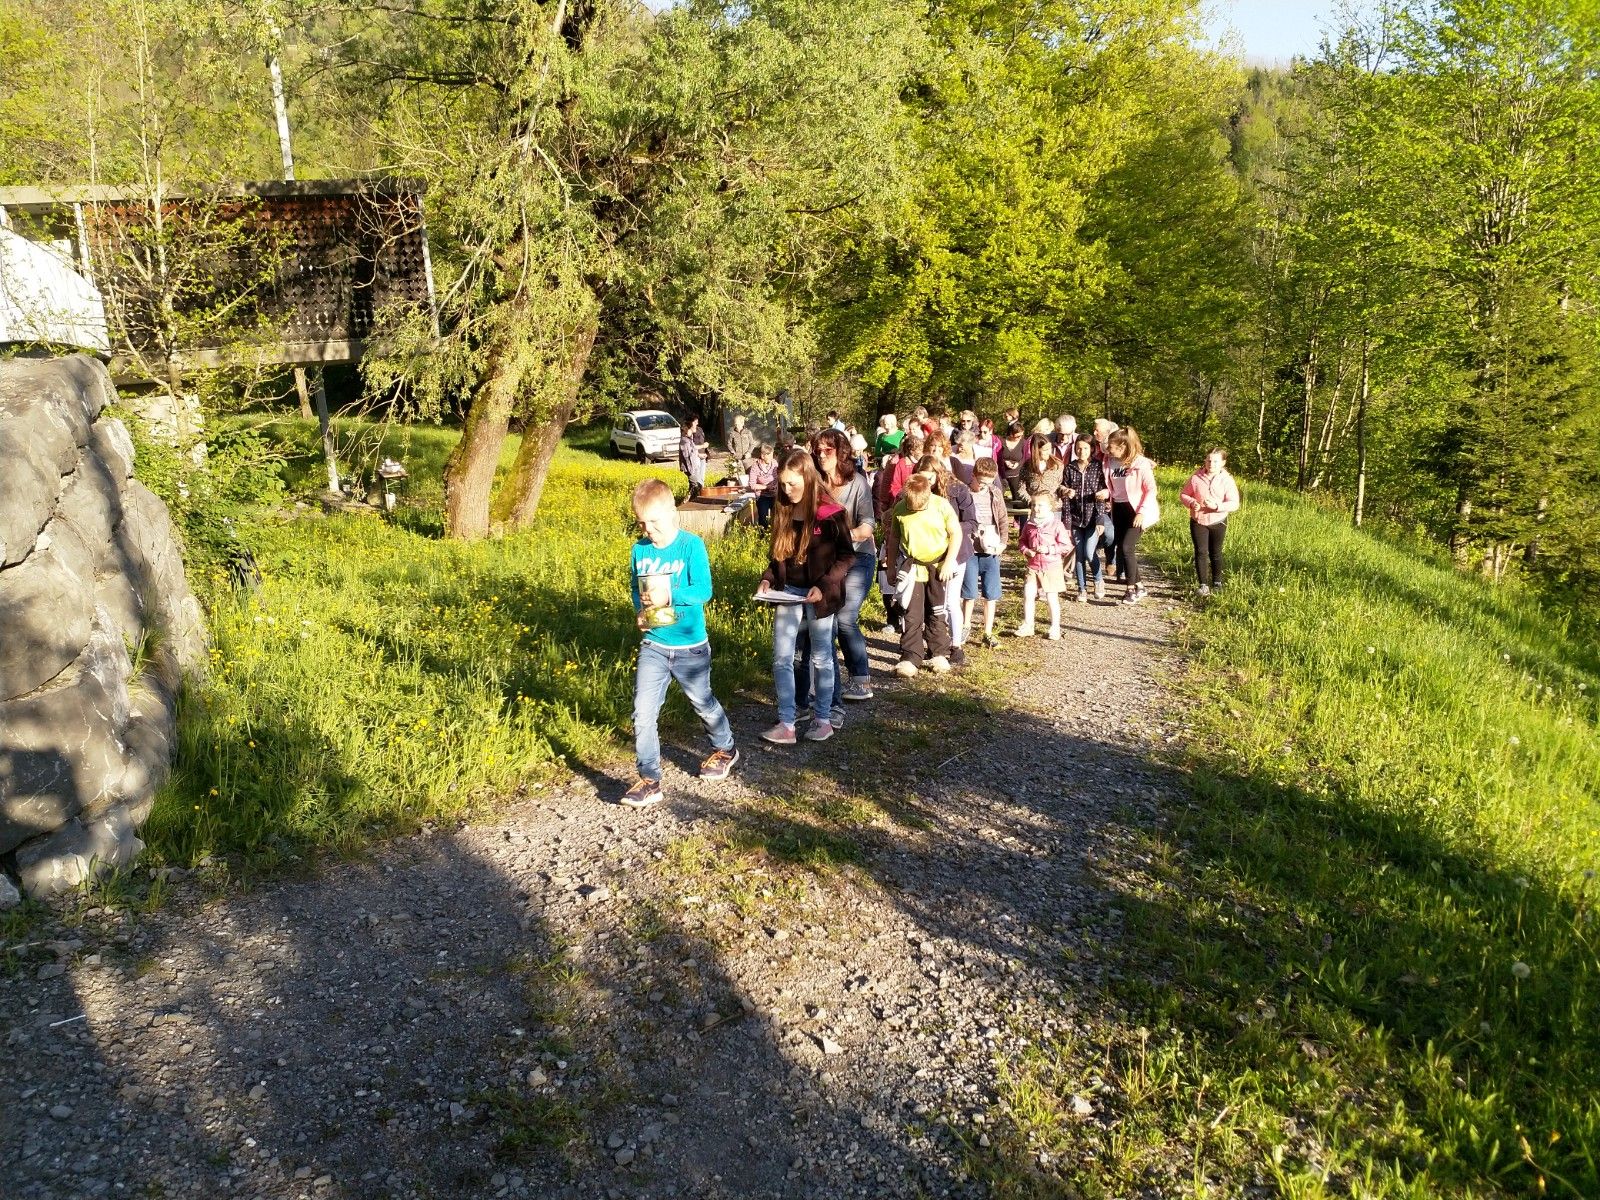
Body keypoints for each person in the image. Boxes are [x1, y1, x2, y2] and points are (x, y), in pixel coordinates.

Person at [623, 480, 739, 808]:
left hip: (691, 646)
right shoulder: (639, 550)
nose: (648, 529)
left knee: (702, 702)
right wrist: (640, 612)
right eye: (642, 523)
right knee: (642, 713)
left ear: (672, 514)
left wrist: (669, 594)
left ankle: (726, 748)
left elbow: (703, 591)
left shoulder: (691, 546)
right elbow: (635, 588)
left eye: (654, 521)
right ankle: (650, 779)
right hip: (654, 645)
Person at [757, 450, 855, 744]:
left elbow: (846, 556)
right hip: (788, 592)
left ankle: (823, 719)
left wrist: (823, 585)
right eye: (783, 484)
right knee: (781, 658)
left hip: (821, 595)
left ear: (808, 479)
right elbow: (778, 558)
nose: (787, 490)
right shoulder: (783, 509)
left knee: (822, 658)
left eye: (793, 483)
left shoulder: (831, 513)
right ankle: (787, 723)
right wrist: (767, 579)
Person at [813, 428, 878, 704]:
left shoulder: (858, 483)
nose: (821, 455)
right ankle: (823, 682)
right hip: (826, 559)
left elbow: (868, 525)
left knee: (845, 617)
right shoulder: (815, 481)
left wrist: (843, 536)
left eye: (827, 450)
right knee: (822, 618)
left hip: (859, 557)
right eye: (817, 450)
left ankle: (861, 679)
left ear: (840, 452)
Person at [882, 472, 962, 677]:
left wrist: (949, 561)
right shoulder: (900, 509)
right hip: (913, 569)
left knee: (936, 611)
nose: (915, 508)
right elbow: (893, 539)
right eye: (911, 505)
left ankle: (939, 653)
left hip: (937, 568)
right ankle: (910, 656)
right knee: (911, 614)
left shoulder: (942, 506)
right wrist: (891, 567)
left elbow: (956, 533)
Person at [918, 453, 974, 660]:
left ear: (938, 473)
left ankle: (956, 645)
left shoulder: (958, 489)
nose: (927, 483)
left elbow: (971, 523)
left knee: (950, 601)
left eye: (930, 478)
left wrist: (949, 529)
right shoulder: (918, 491)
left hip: (956, 552)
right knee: (931, 602)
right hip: (928, 554)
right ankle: (934, 644)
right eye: (922, 478)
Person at [1107, 427, 1159, 604]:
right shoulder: (1109, 461)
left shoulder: (1141, 464)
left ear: (1122, 447)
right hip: (1118, 508)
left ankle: (1130, 590)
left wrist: (1142, 512)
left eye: (1111, 447)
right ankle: (1140, 586)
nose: (1108, 449)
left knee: (1127, 547)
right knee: (1123, 548)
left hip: (1136, 510)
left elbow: (1151, 489)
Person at [1180, 448, 1241, 596]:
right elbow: (1184, 494)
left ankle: (1217, 582)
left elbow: (1234, 503)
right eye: (1208, 460)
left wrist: (1217, 506)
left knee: (1215, 552)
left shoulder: (1227, 480)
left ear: (1223, 463)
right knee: (1201, 551)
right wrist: (1191, 503)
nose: (1211, 464)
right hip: (1198, 520)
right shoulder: (1196, 477)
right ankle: (1203, 585)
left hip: (1218, 521)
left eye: (1215, 461)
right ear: (1205, 461)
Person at [964, 457, 1011, 648]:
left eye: (989, 482)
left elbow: (1003, 519)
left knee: (991, 593)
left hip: (990, 549)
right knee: (969, 592)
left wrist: (1003, 543)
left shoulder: (995, 493)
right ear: (973, 476)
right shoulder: (965, 493)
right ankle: (965, 626)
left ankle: (988, 632)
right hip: (970, 549)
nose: (984, 486)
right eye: (981, 482)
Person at [1016, 491, 1071, 639]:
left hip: (1051, 566)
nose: (1036, 508)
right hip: (1033, 566)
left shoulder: (1056, 524)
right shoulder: (1029, 524)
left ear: (1050, 506)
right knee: (1028, 595)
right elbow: (1022, 541)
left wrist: (1049, 549)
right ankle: (1028, 625)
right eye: (1034, 505)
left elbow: (1066, 546)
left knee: (1051, 598)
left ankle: (1055, 627)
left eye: (1040, 505)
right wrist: (1026, 550)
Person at [1063, 435, 1109, 602]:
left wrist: (1100, 519)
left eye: (1085, 448)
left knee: (1090, 552)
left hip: (1092, 518)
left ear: (1092, 449)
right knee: (1080, 555)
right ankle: (1081, 588)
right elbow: (1065, 496)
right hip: (1075, 519)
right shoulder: (1070, 468)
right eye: (1078, 448)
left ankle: (1098, 580)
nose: (1081, 451)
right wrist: (1067, 522)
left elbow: (1102, 495)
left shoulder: (1098, 467)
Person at [874, 430, 923, 519]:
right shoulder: (898, 462)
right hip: (901, 501)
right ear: (912, 451)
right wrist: (884, 502)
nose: (922, 453)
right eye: (920, 450)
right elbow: (888, 483)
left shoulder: (922, 462)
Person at [1092, 418, 1119, 578]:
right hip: (1098, 498)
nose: (1094, 433)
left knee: (1114, 533)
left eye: (1098, 430)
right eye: (1094, 429)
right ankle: (1097, 554)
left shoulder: (1117, 448)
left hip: (1116, 498)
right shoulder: (1093, 447)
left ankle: (1112, 559)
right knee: (1108, 532)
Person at [997, 420, 1029, 505]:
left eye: (1021, 435)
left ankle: (1017, 513)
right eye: (1018, 436)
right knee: (998, 499)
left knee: (1018, 501)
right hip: (1002, 475)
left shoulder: (1023, 442)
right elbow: (997, 456)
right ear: (1011, 434)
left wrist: (1018, 464)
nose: (1020, 437)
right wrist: (1005, 462)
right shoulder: (1001, 441)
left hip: (1017, 475)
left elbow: (1025, 458)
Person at [748, 443, 778, 527]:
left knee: (777, 518)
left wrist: (776, 485)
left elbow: (779, 476)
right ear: (763, 456)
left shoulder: (775, 463)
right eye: (770, 456)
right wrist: (766, 487)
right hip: (762, 496)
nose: (772, 458)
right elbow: (752, 485)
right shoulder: (755, 467)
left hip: (775, 495)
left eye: (772, 455)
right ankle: (763, 533)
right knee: (763, 519)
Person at [680, 416, 708, 500]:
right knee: (696, 486)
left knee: (695, 487)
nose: (696, 426)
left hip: (693, 467)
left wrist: (699, 454)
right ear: (688, 428)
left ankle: (692, 501)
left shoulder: (689, 439)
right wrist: (692, 471)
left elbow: (693, 450)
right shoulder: (685, 441)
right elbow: (687, 458)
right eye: (694, 424)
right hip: (690, 468)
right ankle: (687, 502)